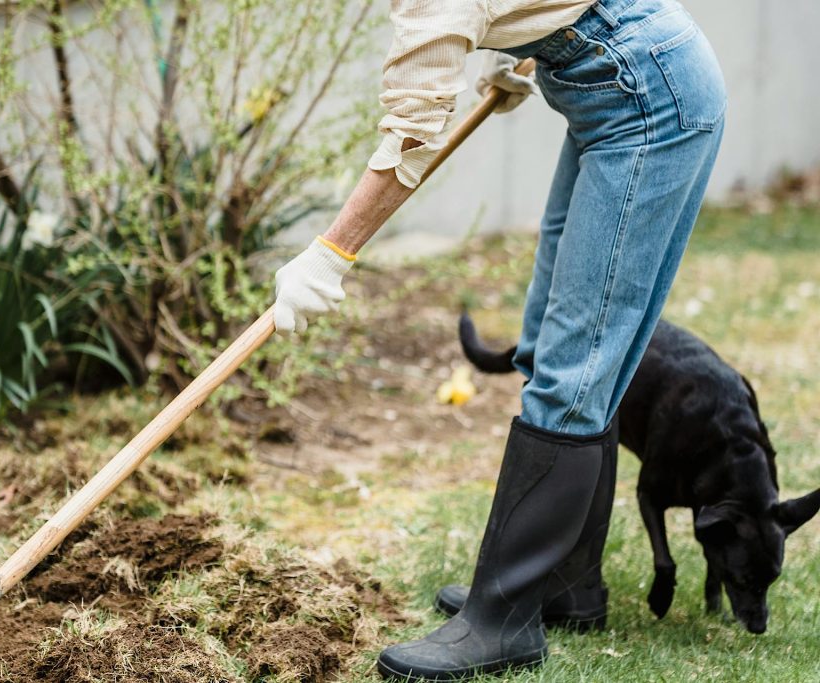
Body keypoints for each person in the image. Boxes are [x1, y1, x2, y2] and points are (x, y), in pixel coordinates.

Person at [273, 0, 726, 679]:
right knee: (551, 338)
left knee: (578, 357)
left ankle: (503, 618)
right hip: (619, 91)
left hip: (648, 102)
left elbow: (410, 136)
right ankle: (567, 583)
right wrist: (521, 53)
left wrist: (331, 254)